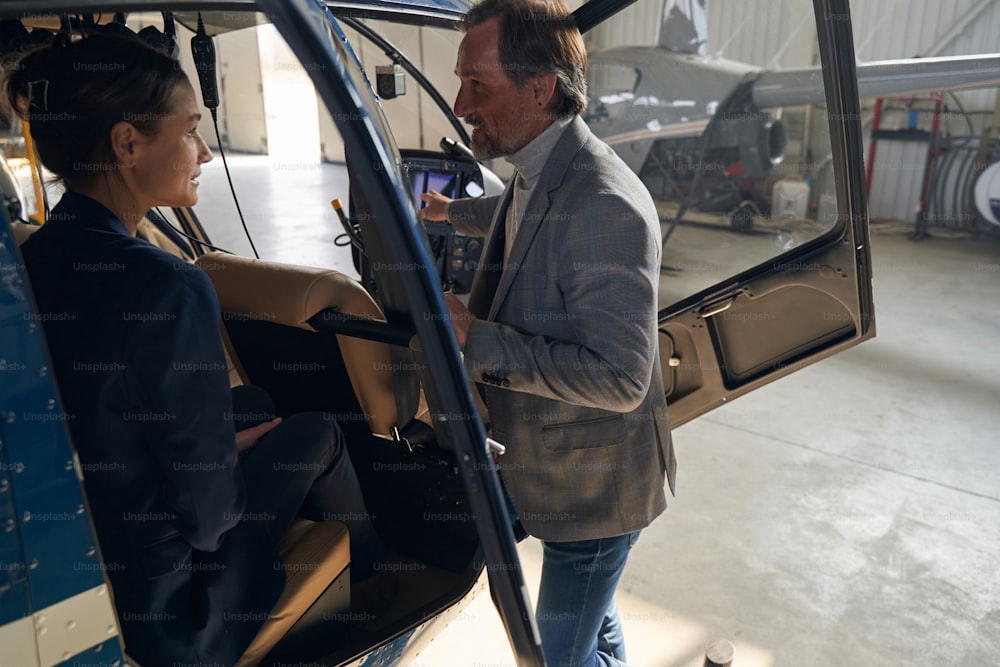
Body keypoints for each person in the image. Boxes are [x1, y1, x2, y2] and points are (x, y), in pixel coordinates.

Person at [5, 32, 389, 667]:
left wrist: (215, 446)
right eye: (189, 132)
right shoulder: (168, 284)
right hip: (173, 608)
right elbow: (210, 521)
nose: (205, 152)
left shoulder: (31, 257)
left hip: (89, 530)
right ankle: (379, 585)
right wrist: (218, 465)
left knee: (256, 404)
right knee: (317, 432)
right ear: (127, 144)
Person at [419, 0, 677, 664]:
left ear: (541, 88)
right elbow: (518, 213)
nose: (460, 103)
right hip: (556, 475)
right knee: (596, 618)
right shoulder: (544, 169)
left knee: (557, 652)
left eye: (479, 84)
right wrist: (452, 211)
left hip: (595, 491)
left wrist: (476, 335)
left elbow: (621, 379)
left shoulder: (604, 207)